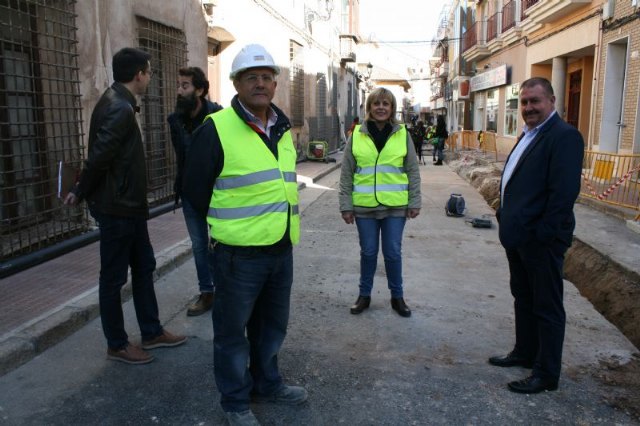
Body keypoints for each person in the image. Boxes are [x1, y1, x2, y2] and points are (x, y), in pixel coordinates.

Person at [182, 44, 306, 426]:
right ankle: (235, 402)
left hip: (280, 248)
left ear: (275, 84)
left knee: (271, 327)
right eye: (251, 77)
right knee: (232, 334)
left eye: (267, 77)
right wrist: (228, 229)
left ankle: (267, 383)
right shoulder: (216, 129)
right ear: (236, 83)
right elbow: (195, 192)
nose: (260, 84)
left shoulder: (281, 127)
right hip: (237, 255)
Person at [64, 47, 186, 364]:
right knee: (113, 278)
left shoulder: (118, 101)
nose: (150, 77)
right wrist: (79, 189)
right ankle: (117, 344)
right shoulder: (119, 107)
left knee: (144, 267)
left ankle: (151, 332)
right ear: (139, 74)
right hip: (117, 207)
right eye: (149, 72)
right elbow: (99, 156)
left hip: (129, 206)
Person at [489, 77, 584, 394]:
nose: (528, 107)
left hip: (540, 241)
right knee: (524, 297)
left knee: (547, 306)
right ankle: (525, 352)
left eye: (535, 101)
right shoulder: (529, 134)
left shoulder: (564, 137)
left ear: (551, 101)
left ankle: (546, 373)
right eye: (524, 102)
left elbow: (563, 194)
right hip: (518, 236)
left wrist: (543, 236)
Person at [338, 87, 421, 318]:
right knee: (368, 252)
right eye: (376, 103)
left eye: (386, 104)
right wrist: (346, 206)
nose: (381, 108)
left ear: (392, 108)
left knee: (393, 253)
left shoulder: (403, 134)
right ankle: (364, 295)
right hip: (364, 207)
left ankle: (397, 297)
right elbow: (346, 174)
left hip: (395, 207)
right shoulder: (357, 135)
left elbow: (413, 171)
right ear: (369, 107)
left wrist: (415, 201)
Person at [168, 67, 222, 317]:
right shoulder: (175, 120)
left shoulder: (219, 117)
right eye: (178, 85)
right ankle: (207, 292)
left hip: (218, 192)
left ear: (199, 90)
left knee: (220, 243)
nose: (179, 91)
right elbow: (181, 157)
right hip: (190, 193)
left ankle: (224, 288)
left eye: (185, 85)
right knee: (199, 245)